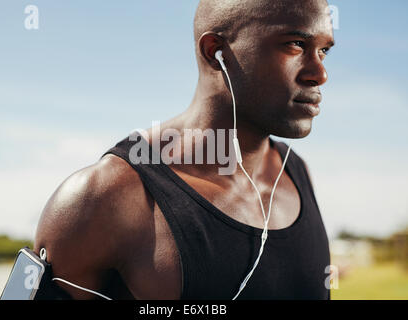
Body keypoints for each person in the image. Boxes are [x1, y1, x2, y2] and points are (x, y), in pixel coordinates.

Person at [34, 0, 335, 300]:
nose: (319, 74)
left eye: (324, 51)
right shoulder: (103, 198)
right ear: (215, 51)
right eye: (296, 44)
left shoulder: (297, 173)